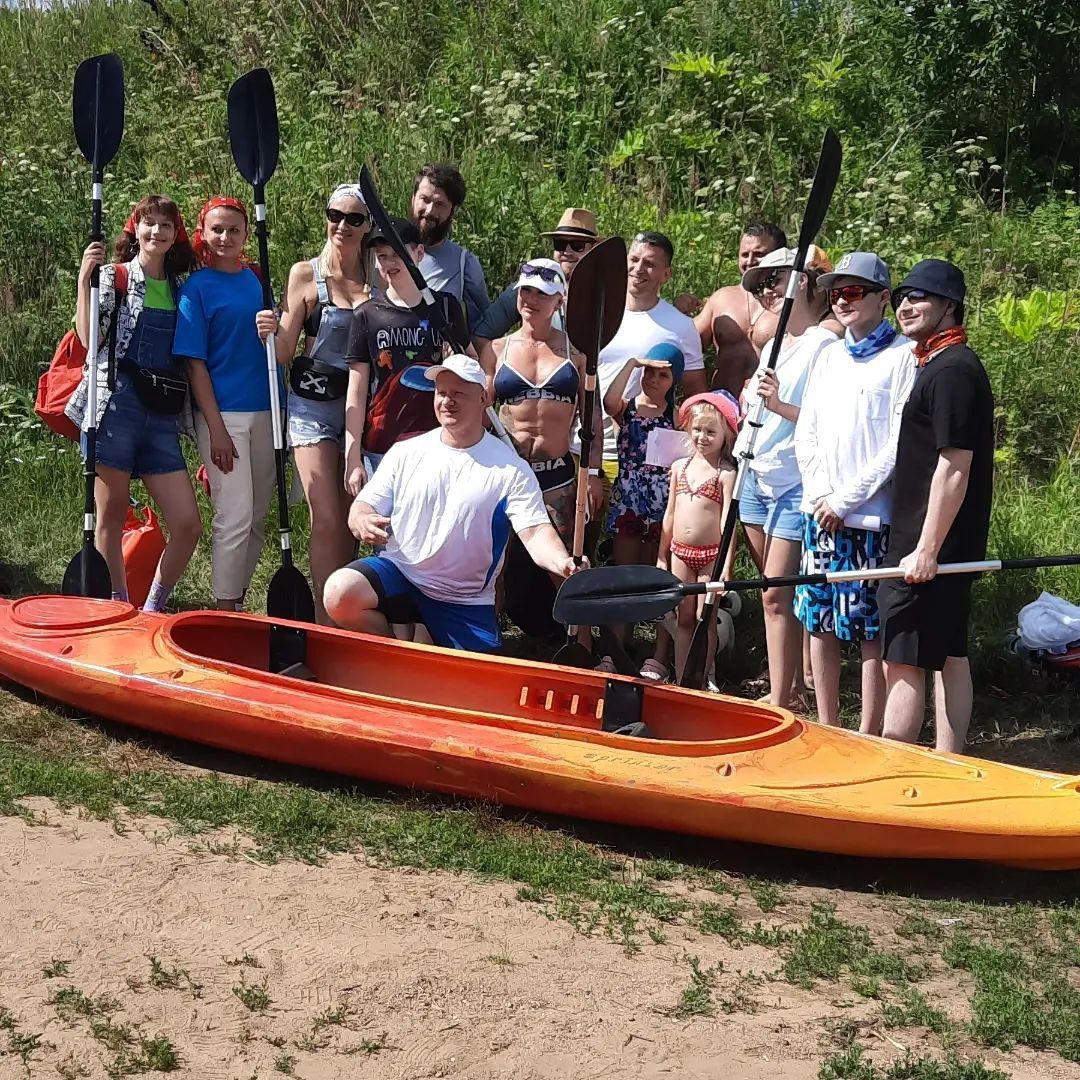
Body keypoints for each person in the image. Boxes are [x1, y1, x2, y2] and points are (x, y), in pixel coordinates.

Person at [323, 355, 582, 651]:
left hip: (463, 599)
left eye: (459, 393)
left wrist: (563, 563)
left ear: (484, 398)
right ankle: (393, 653)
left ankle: (430, 645)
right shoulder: (406, 452)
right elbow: (364, 505)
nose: (448, 401)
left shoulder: (512, 469)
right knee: (339, 593)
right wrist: (361, 519)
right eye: (442, 393)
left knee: (475, 688)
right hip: (402, 573)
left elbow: (535, 532)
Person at [794, 252, 916, 733]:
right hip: (818, 513)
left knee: (867, 629)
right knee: (817, 619)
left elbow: (897, 444)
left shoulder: (903, 356)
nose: (842, 301)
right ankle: (826, 724)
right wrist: (822, 495)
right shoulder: (827, 355)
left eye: (854, 292)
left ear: (883, 298)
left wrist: (845, 501)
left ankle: (868, 730)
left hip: (868, 517)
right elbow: (808, 431)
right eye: (835, 293)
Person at [878, 260, 993, 754]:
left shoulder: (952, 370)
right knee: (948, 652)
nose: (906, 305)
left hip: (930, 545)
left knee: (903, 655)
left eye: (920, 297)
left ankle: (895, 764)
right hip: (931, 540)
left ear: (950, 306)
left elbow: (954, 467)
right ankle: (950, 759)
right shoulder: (938, 364)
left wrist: (927, 549)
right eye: (902, 296)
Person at [67, 194, 201, 612]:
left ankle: (153, 606)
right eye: (149, 223)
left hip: (162, 415)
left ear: (175, 233)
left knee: (187, 524)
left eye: (166, 225)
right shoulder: (115, 277)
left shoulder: (184, 288)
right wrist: (83, 281)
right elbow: (91, 341)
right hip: (115, 408)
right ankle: (117, 604)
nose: (157, 232)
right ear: (136, 230)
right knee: (109, 516)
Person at [255, 184, 371, 624]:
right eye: (336, 215)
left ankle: (346, 610)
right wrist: (268, 328)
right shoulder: (306, 275)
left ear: (368, 226)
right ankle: (325, 621)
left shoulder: (379, 276)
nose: (343, 225)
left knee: (351, 516)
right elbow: (284, 350)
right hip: (311, 406)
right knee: (325, 515)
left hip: (360, 408)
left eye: (354, 218)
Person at [735, 246, 839, 710]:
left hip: (794, 480)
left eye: (775, 280)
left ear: (807, 283)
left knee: (777, 593)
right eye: (761, 284)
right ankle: (792, 687)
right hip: (756, 470)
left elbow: (830, 421)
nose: (766, 292)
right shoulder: (781, 344)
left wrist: (776, 406)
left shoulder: (826, 346)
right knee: (774, 592)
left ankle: (781, 700)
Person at [174, 196, 276, 612]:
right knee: (233, 514)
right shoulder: (196, 288)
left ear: (246, 234)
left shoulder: (257, 278)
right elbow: (194, 365)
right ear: (203, 233)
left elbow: (278, 341)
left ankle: (236, 597)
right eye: (217, 229)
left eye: (234, 229)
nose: (225, 237)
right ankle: (223, 609)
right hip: (223, 415)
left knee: (256, 518)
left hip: (269, 409)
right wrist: (214, 427)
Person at [584, 231, 706, 512]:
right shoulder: (595, 313)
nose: (639, 269)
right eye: (634, 259)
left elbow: (695, 396)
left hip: (648, 458)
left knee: (635, 548)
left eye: (650, 264)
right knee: (584, 542)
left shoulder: (680, 326)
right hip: (589, 447)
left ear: (666, 274)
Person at [343, 215, 469, 485]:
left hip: (439, 443)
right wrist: (352, 458)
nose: (388, 263)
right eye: (381, 256)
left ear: (419, 253)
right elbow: (356, 388)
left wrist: (456, 364)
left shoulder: (445, 307)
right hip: (382, 446)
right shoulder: (366, 314)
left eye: (396, 254)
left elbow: (472, 366)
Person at [603, 342, 684, 678]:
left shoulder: (676, 414)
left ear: (673, 379)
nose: (653, 380)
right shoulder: (630, 406)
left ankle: (659, 656)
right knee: (625, 576)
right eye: (649, 372)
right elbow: (609, 401)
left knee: (658, 577)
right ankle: (617, 649)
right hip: (629, 500)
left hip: (661, 503)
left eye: (662, 374)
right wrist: (633, 363)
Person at [656, 390, 739, 686]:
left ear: (725, 435)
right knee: (684, 617)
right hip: (680, 551)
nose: (702, 437)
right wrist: (662, 554)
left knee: (706, 617)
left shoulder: (725, 473)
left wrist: (727, 563)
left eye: (710, 432)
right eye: (698, 430)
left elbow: (730, 522)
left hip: (711, 555)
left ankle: (704, 676)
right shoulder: (680, 467)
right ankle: (681, 676)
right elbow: (670, 514)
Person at [472, 207, 600, 349]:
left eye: (578, 246)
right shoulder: (524, 290)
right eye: (560, 244)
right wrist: (504, 366)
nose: (567, 252)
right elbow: (481, 336)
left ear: (594, 249)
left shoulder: (606, 296)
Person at [694, 222, 788, 396]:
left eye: (759, 254)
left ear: (779, 256)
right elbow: (686, 343)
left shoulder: (791, 304)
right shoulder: (721, 298)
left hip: (770, 407)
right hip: (721, 409)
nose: (750, 261)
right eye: (745, 254)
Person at [410, 163, 489, 329]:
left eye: (440, 204)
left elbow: (481, 328)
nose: (430, 210)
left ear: (453, 211)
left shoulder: (465, 264)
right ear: (413, 198)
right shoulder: (384, 250)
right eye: (425, 200)